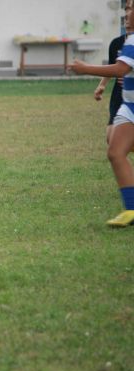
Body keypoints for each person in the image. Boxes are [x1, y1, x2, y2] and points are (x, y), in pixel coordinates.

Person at [69, 0, 134, 227]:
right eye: (126, 8)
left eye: (131, 9)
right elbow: (120, 67)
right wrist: (103, 84)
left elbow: (121, 69)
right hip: (128, 107)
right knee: (115, 152)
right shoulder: (128, 41)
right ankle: (131, 210)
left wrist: (85, 68)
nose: (127, 14)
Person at [94, 19, 132, 145]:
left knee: (119, 145)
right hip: (119, 94)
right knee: (111, 138)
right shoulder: (116, 43)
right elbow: (111, 67)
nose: (127, 17)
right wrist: (102, 85)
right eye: (126, 12)